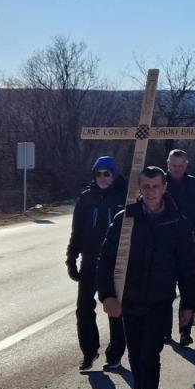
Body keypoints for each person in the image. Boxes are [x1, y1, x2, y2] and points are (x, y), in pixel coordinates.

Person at [97, 166, 195, 389]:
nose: (151, 191)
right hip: (129, 301)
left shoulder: (177, 222)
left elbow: (186, 268)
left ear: (165, 187)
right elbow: (105, 260)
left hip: (160, 301)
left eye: (156, 186)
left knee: (149, 358)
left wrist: (189, 304)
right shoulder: (125, 220)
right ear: (139, 189)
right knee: (136, 357)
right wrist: (107, 296)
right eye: (146, 186)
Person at [66, 156, 128, 372]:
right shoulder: (86, 198)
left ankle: (115, 354)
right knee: (83, 308)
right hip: (90, 261)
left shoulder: (125, 196)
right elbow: (77, 231)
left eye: (107, 173)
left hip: (115, 262)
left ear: (114, 174)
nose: (102, 177)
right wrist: (71, 258)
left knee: (114, 308)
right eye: (98, 173)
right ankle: (89, 351)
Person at [163, 148, 195, 346]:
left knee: (188, 291)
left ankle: (185, 331)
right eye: (174, 165)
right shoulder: (160, 183)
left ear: (186, 165)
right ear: (168, 164)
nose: (177, 169)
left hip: (189, 246)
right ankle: (165, 331)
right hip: (163, 247)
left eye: (181, 165)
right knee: (165, 292)